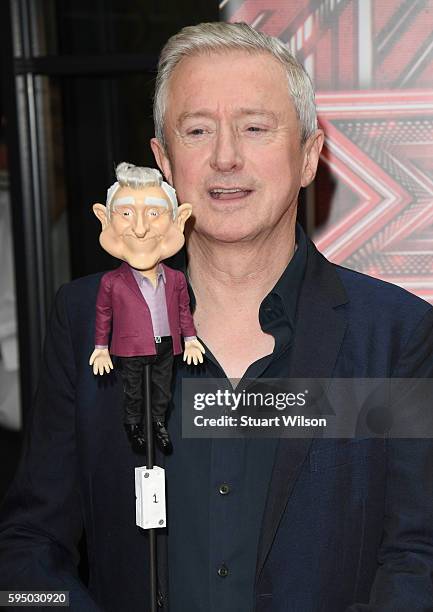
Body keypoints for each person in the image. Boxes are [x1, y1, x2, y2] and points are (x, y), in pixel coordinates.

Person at [1, 21, 433, 612]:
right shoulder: (84, 322)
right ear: (164, 161)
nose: (225, 157)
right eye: (198, 130)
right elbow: (28, 552)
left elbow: (419, 559)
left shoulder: (397, 337)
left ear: (308, 156)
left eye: (255, 128)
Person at [89, 163, 204, 454]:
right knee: (133, 391)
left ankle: (157, 424)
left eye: (154, 214)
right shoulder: (112, 282)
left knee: (162, 390)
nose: (140, 229)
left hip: (166, 345)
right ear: (105, 219)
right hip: (131, 348)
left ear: (179, 220)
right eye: (126, 214)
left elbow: (181, 311)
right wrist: (101, 346)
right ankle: (134, 425)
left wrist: (190, 340)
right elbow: (104, 313)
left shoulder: (176, 279)